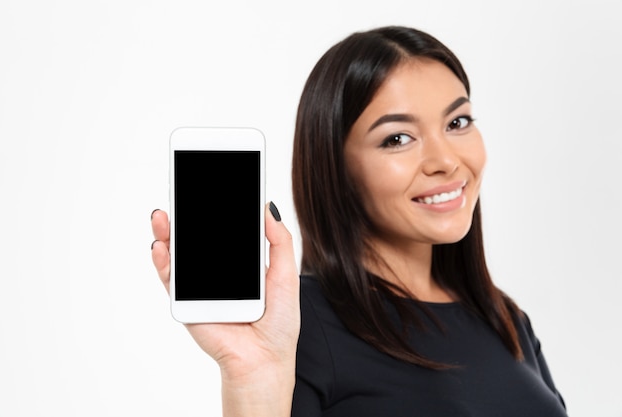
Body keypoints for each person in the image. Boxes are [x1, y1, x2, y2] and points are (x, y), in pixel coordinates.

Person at [150, 26, 568, 417]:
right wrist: (251, 378)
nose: (445, 161)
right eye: (397, 139)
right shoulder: (299, 323)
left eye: (457, 122)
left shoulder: (506, 319)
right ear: (337, 168)